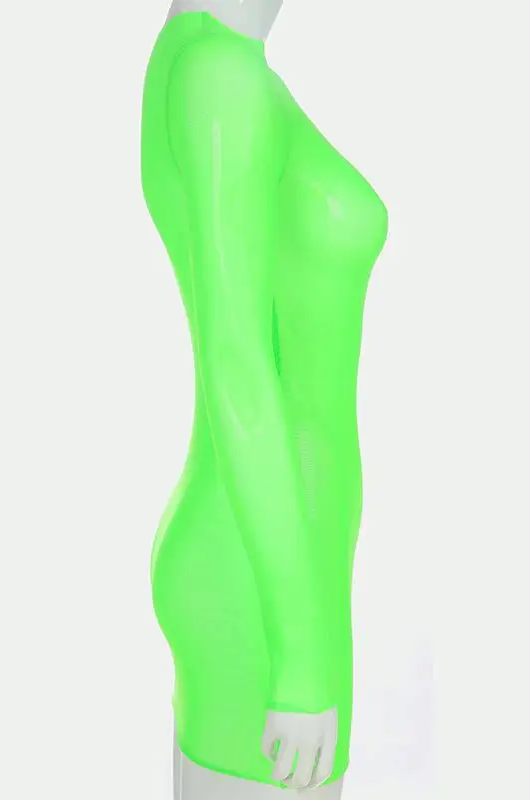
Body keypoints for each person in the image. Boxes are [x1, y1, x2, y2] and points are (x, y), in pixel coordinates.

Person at [140, 2, 389, 796]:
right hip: (257, 582)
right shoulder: (220, 78)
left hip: (281, 565)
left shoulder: (222, 64)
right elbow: (238, 367)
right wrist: (302, 664)